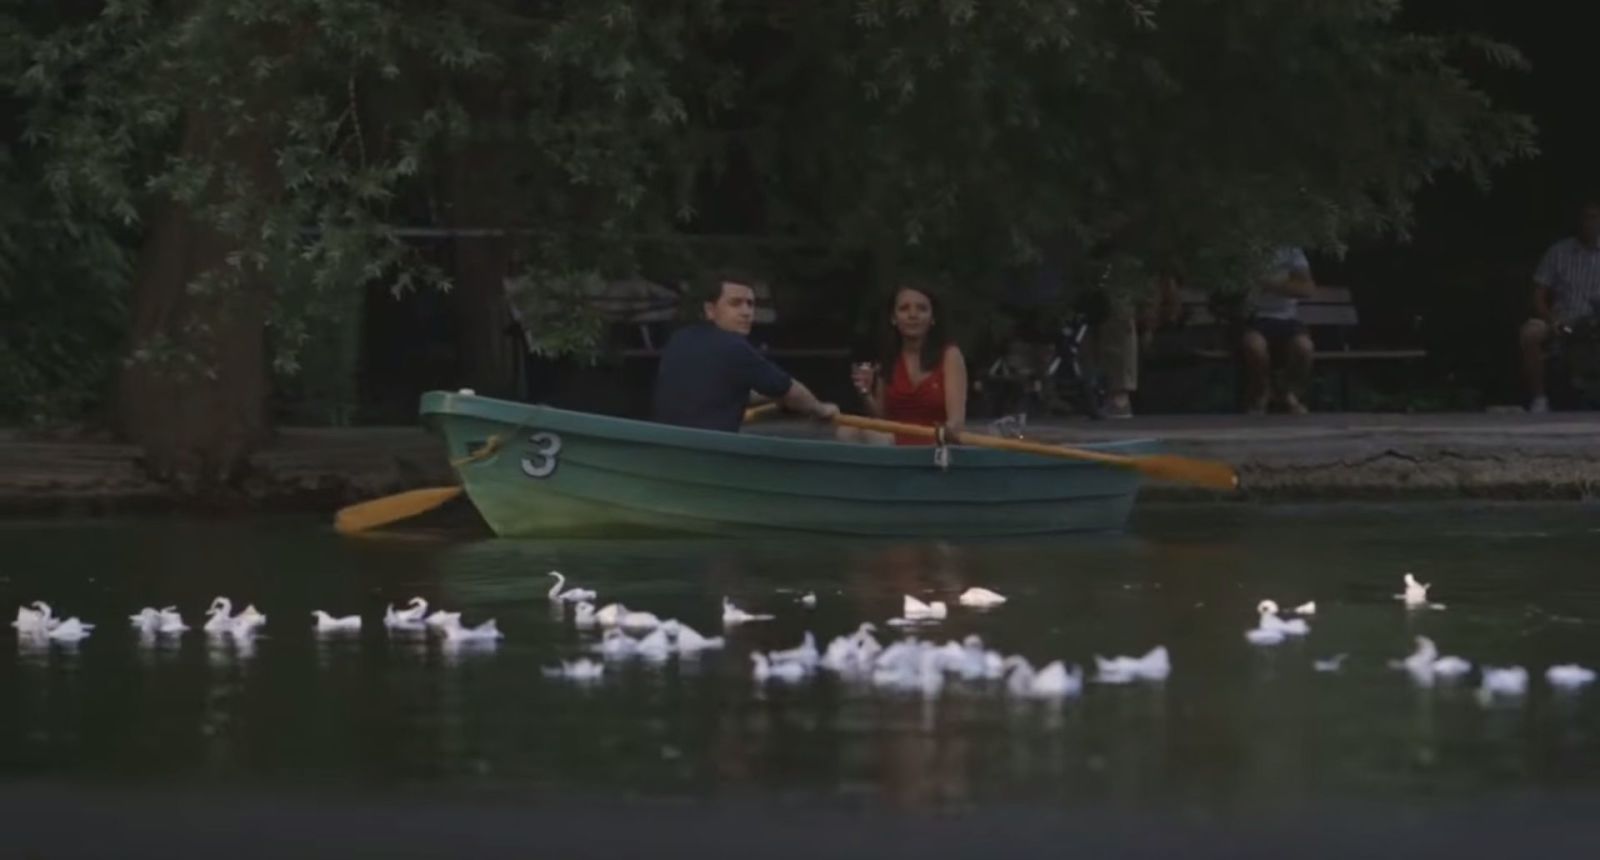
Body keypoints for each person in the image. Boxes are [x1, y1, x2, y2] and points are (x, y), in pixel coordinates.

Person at [652, 274, 838, 432]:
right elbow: (790, 390)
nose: (746, 312)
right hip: (711, 453)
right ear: (710, 310)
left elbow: (718, 390)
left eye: (750, 304)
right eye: (736, 304)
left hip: (668, 446)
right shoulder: (734, 348)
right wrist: (820, 408)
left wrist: (776, 396)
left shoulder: (680, 339)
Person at [849, 284, 968, 445]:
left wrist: (942, 436)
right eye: (904, 309)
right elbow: (881, 419)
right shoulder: (888, 356)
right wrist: (865, 392)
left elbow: (956, 423)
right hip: (893, 445)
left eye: (922, 309)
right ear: (893, 318)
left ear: (933, 318)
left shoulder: (950, 355)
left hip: (934, 447)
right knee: (847, 431)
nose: (913, 315)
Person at [1519, 200, 1600, 413]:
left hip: (1595, 319)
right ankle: (1539, 399)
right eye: (1587, 217)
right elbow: (1538, 293)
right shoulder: (1559, 252)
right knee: (1530, 333)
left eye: (1596, 217)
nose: (1591, 223)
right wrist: (1550, 318)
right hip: (1562, 319)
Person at [1240, 246, 1316, 415]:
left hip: (1287, 319)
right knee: (1254, 347)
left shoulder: (1291, 250)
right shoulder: (1245, 248)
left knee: (1304, 348)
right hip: (1254, 318)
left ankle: (1286, 391)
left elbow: (1306, 289)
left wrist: (1272, 284)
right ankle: (1261, 392)